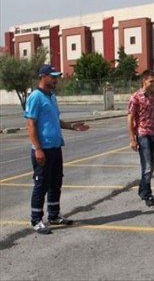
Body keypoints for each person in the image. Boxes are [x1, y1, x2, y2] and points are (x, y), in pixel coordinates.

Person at [24, 64, 90, 234]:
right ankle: (36, 219)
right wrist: (38, 149)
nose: (56, 80)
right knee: (41, 185)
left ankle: (54, 215)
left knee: (55, 183)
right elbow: (30, 124)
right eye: (53, 76)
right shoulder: (35, 97)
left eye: (57, 76)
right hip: (43, 150)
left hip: (55, 148)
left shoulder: (52, 97)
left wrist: (72, 127)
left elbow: (55, 120)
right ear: (43, 76)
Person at [128, 70, 154, 208]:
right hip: (142, 133)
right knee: (147, 166)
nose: (153, 84)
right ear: (144, 81)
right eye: (151, 81)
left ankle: (142, 189)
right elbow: (130, 118)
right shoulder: (135, 97)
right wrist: (132, 138)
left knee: (152, 166)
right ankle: (148, 194)